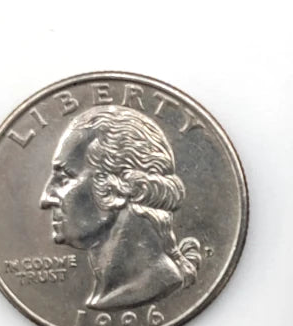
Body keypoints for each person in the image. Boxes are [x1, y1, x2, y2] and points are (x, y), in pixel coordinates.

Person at [40, 104, 201, 309]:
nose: (45, 198)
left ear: (116, 188)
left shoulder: (147, 288)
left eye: (64, 178)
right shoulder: (109, 294)